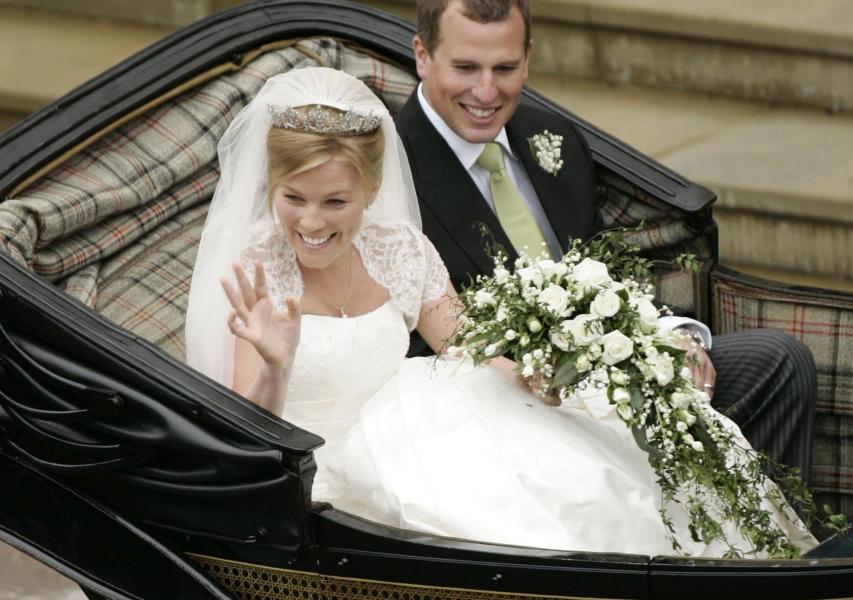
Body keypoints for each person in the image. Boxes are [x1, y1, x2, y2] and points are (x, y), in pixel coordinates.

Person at [184, 66, 816, 557]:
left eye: (335, 201)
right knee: (515, 521)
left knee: (593, 469)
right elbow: (253, 442)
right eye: (293, 198)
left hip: (426, 418)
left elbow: (464, 345)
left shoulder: (400, 247)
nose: (312, 222)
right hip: (339, 466)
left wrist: (533, 373)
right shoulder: (255, 270)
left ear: (371, 192)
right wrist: (275, 360)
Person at [396, 0, 818, 483]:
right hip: (503, 402)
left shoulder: (553, 136)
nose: (487, 91)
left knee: (779, 361)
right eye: (466, 67)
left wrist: (670, 335)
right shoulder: (392, 169)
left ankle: (769, 553)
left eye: (506, 68)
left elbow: (607, 271)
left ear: (528, 57)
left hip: (611, 362)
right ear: (422, 54)